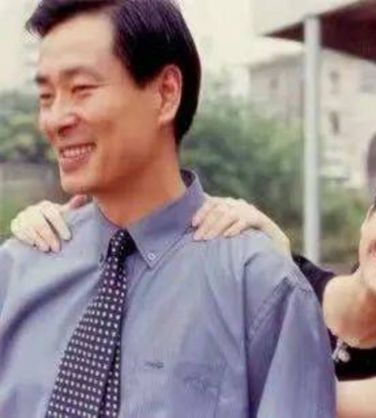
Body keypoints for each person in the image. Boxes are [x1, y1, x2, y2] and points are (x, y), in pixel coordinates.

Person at [0, 1, 335, 417]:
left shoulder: (260, 287)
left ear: (165, 94)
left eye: (81, 89)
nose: (54, 120)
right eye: (46, 96)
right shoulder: (18, 271)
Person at [12, 158, 376, 417]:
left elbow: (315, 403)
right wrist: (70, 231)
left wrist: (280, 273)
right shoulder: (265, 277)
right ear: (369, 217)